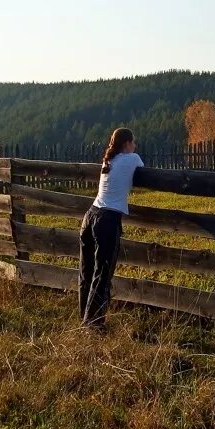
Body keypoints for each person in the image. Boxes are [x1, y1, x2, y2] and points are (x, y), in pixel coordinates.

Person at [79, 127, 143, 329]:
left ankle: (84, 317)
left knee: (86, 271)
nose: (135, 146)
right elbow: (142, 170)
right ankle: (94, 324)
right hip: (107, 220)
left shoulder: (108, 161)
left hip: (90, 216)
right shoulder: (131, 159)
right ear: (126, 144)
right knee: (102, 273)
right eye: (133, 142)